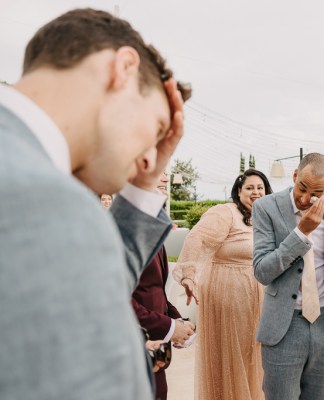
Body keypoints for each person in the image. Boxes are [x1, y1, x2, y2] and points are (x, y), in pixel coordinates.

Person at [0, 8, 191, 399]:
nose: (149, 160)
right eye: (155, 128)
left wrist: (143, 186)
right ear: (123, 68)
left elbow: (91, 289)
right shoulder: (47, 196)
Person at [253, 153, 324, 400]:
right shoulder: (266, 207)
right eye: (302, 187)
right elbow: (262, 270)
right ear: (294, 176)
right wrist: (301, 233)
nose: (305, 198)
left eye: (316, 193)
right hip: (284, 326)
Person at [173, 169, 273, 400]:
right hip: (228, 292)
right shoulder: (224, 213)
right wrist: (188, 274)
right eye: (249, 188)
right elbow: (196, 238)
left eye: (260, 188)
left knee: (253, 353)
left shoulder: (266, 217)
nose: (256, 192)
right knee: (231, 354)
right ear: (239, 192)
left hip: (260, 295)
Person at [132, 171, 195, 400]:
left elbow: (152, 288)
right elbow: (119, 299)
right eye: (158, 172)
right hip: (135, 348)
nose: (166, 179)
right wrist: (168, 327)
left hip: (157, 351)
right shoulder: (125, 230)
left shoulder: (152, 225)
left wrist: (177, 321)